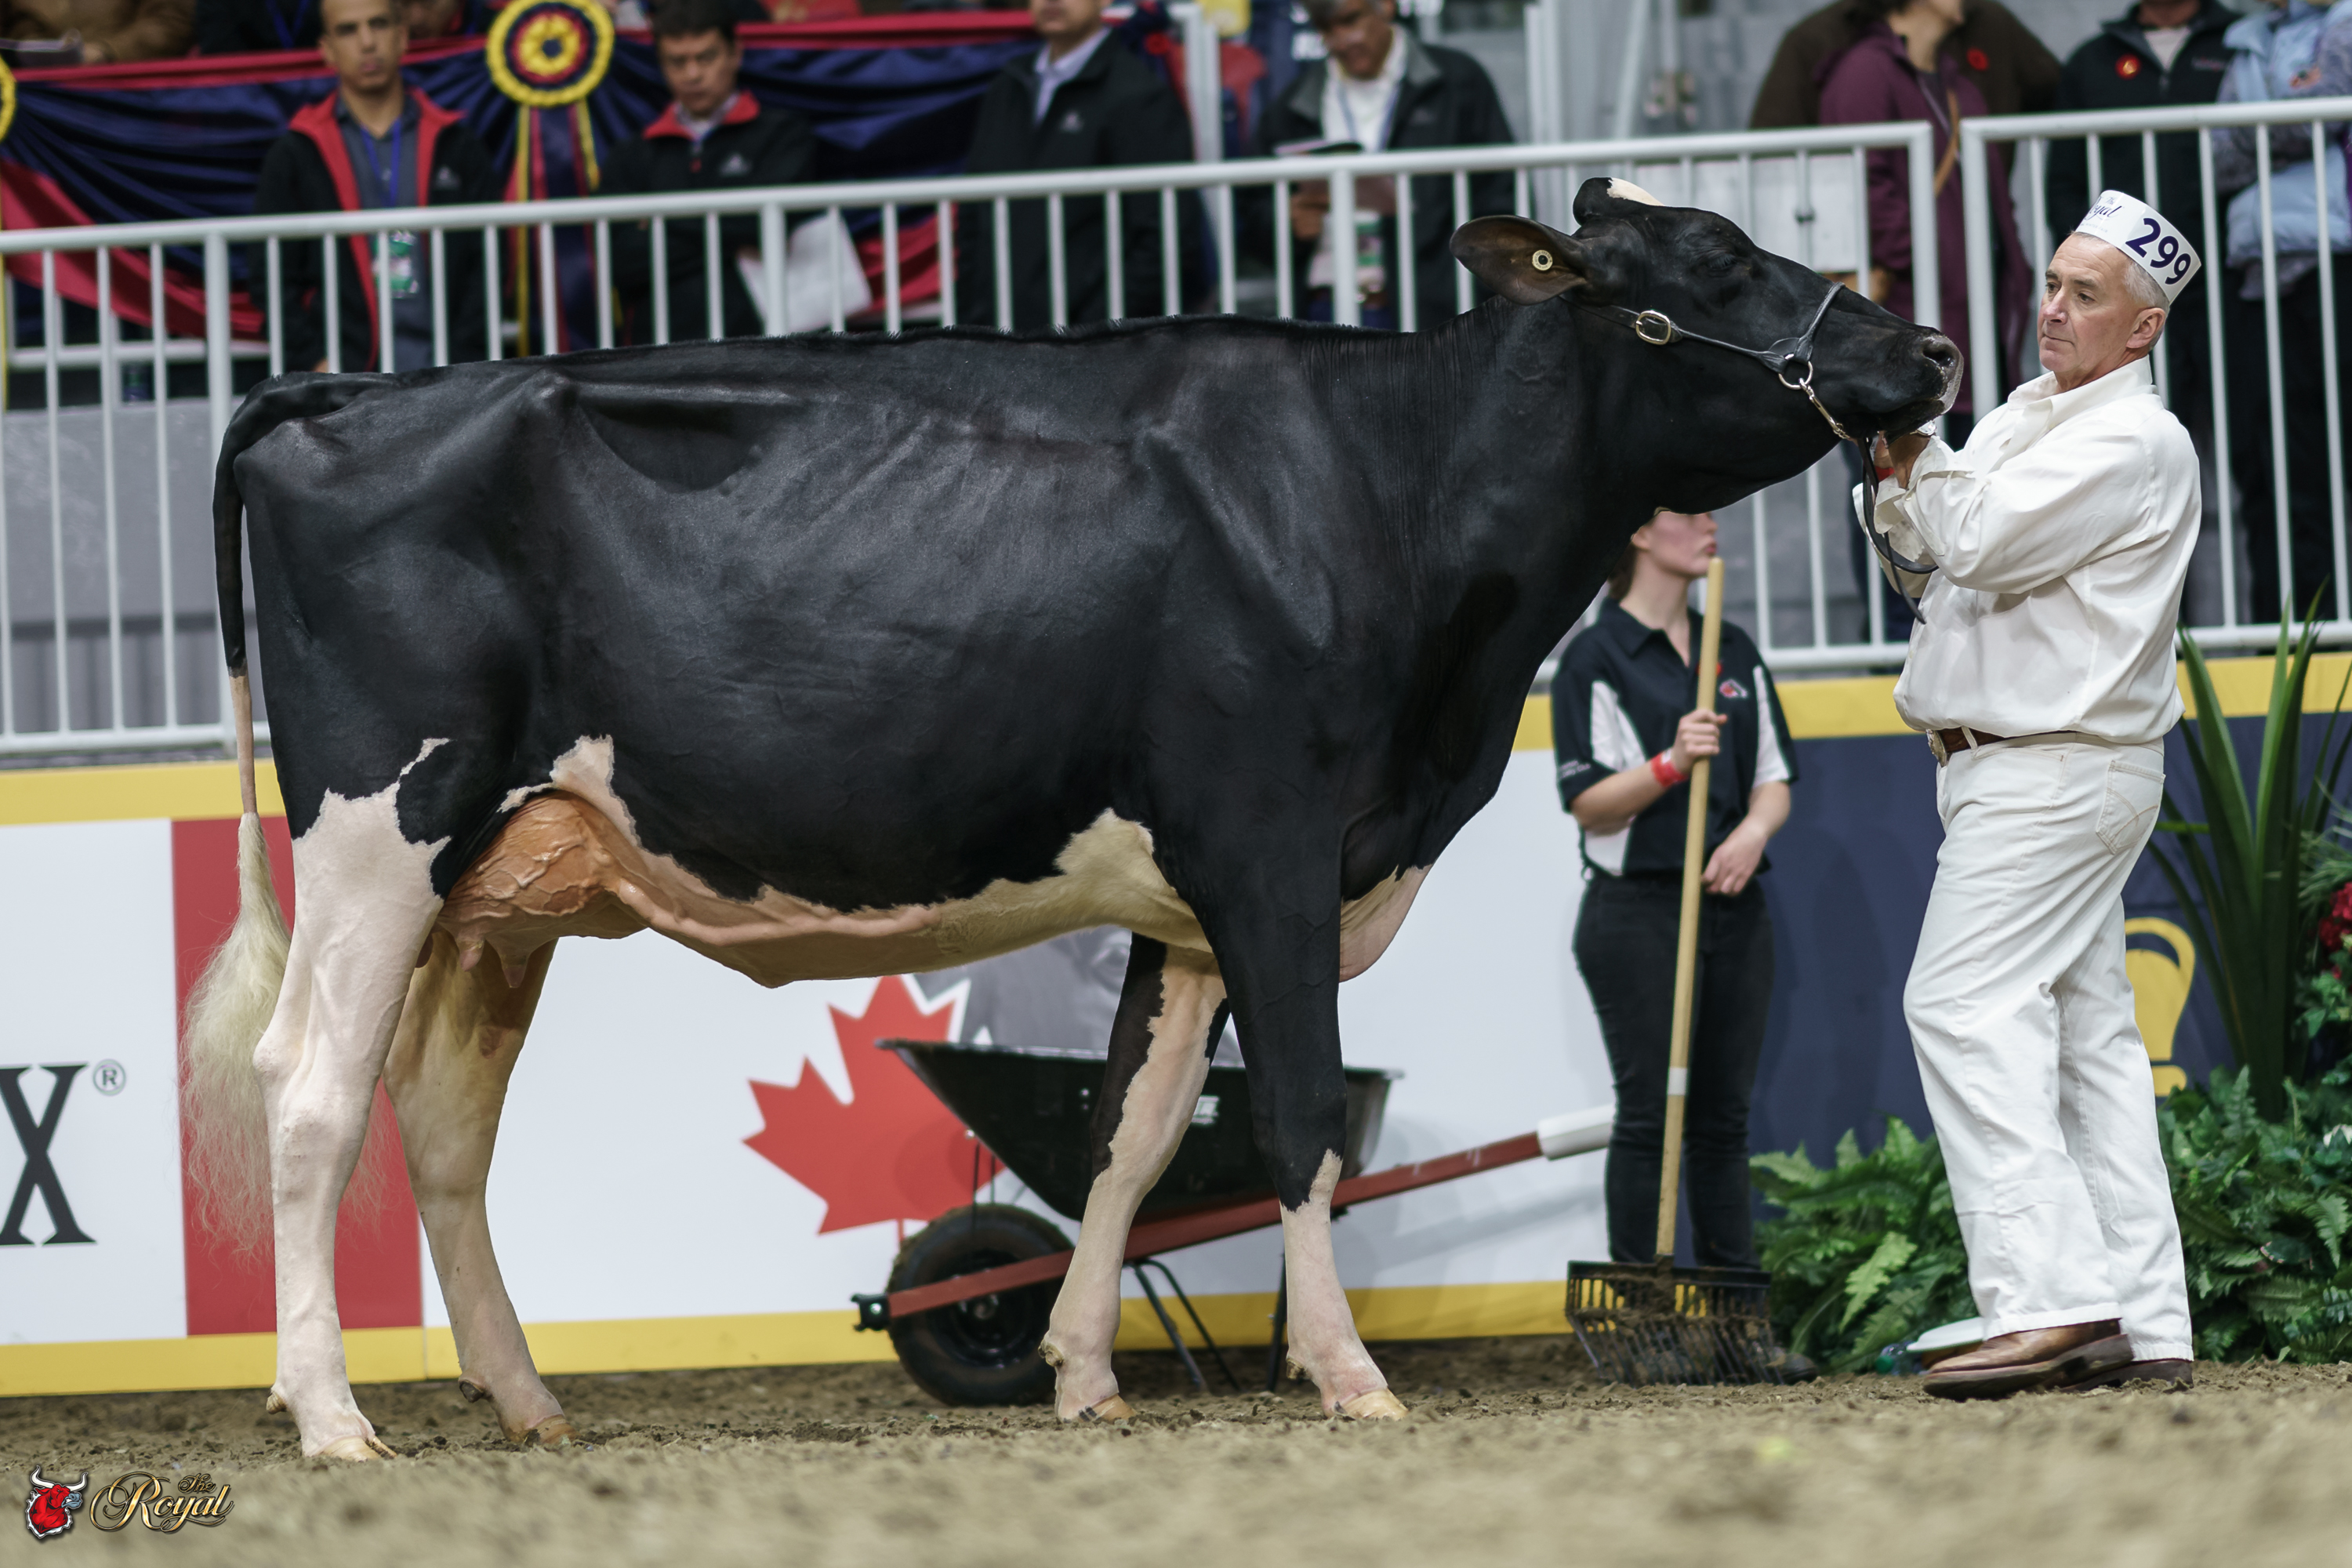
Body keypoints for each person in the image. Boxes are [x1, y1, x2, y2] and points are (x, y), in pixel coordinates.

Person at [1867, 191, 2200, 1396]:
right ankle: (2148, 1326)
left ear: (2143, 328)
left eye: (2085, 295)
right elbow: (1925, 566)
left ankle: (2049, 1299)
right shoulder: (2022, 414)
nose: (2053, 309)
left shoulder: (2136, 439)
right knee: (2088, 1046)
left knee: (1958, 1004)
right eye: (2053, 284)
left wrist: (1912, 444)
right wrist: (1902, 465)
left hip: (2051, 768)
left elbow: (1978, 541)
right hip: (2020, 765)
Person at [1553, 511, 1795, 1271]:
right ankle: (1641, 1306)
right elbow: (1589, 803)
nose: (1709, 524)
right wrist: (1671, 762)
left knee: (1723, 1122)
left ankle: (1734, 1310)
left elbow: (1773, 779)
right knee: (1650, 1117)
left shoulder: (1733, 646)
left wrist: (1752, 833)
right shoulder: (1594, 658)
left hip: (1733, 909)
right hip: (1636, 913)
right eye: (1687, 513)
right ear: (1638, 533)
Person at [1819, 0, 2031, 641]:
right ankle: (1899, 650)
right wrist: (1927, 256)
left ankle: (1960, 648)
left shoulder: (1958, 79)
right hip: (1902, 340)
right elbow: (1860, 190)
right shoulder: (1864, 73)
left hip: (1966, 331)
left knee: (1960, 496)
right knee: (1897, 501)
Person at [251, 0, 497, 372]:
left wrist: (464, 362)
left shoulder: (457, 144)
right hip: (344, 382)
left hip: (449, 377)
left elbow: (490, 265)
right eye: (348, 30)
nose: (367, 42)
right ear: (326, 50)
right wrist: (316, 362)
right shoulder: (296, 152)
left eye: (379, 24)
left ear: (402, 37)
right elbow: (270, 277)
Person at [2212, 0, 2352, 622]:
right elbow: (2218, 156)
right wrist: (2287, 114)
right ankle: (2308, 633)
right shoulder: (2246, 40)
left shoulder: (2344, 22)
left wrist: (2262, 124)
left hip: (2337, 256)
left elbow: (2328, 105)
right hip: (2262, 270)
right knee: (2290, 467)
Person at [1252, 0, 1512, 330]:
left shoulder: (1458, 82)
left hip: (1434, 312)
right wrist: (1288, 223)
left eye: (1350, 21)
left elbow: (1502, 199)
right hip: (1326, 309)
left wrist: (1478, 306)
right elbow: (1252, 215)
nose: (1341, 40)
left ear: (1386, 7)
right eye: (1325, 29)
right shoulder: (1291, 104)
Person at [954, 0, 1199, 332]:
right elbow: (974, 214)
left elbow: (1165, 237)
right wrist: (972, 320)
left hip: (1089, 344)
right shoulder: (1007, 85)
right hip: (1000, 334)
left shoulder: (1138, 94)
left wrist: (1094, 333)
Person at [604, 0, 818, 345]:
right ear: (660, 63)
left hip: (767, 346)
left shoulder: (783, 134)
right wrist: (732, 232)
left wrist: (656, 221)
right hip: (658, 351)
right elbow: (621, 261)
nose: (692, 75)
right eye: (677, 61)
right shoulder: (631, 153)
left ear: (736, 54)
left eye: (706, 58)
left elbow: (761, 227)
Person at [1750, 0, 2057, 129]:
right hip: (1872, 238)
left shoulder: (1988, 24)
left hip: (1979, 231)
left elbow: (2062, 95)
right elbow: (1771, 152)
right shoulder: (1818, 41)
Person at [0, 0, 188, 61]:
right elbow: (18, 16)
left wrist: (107, 50)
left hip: (122, 96)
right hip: (31, 98)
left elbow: (171, 21)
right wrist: (30, 42)